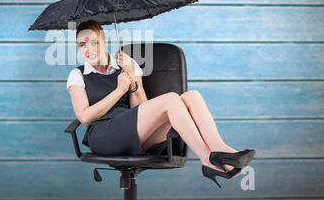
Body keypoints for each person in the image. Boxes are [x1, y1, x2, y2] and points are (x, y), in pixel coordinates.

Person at [66, 20, 255, 187]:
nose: (89, 49)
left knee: (192, 97)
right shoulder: (78, 75)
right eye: (82, 45)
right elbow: (84, 117)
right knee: (171, 99)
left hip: (132, 130)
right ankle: (207, 160)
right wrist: (118, 91)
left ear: (105, 42)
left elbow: (140, 107)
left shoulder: (125, 64)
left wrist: (132, 80)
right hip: (104, 136)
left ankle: (221, 150)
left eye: (94, 42)